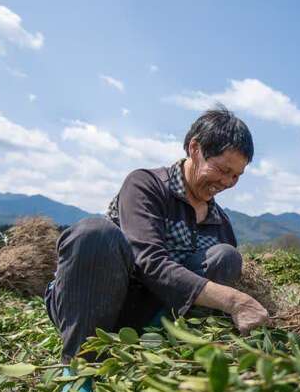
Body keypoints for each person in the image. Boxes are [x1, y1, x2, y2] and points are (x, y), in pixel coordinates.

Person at [46, 106, 269, 364]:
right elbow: (150, 262)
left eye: (236, 176)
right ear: (195, 149)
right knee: (95, 234)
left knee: (226, 256)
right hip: (92, 302)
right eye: (221, 169)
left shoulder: (220, 223)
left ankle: (156, 343)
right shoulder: (145, 186)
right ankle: (79, 363)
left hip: (147, 316)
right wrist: (234, 301)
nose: (227, 182)